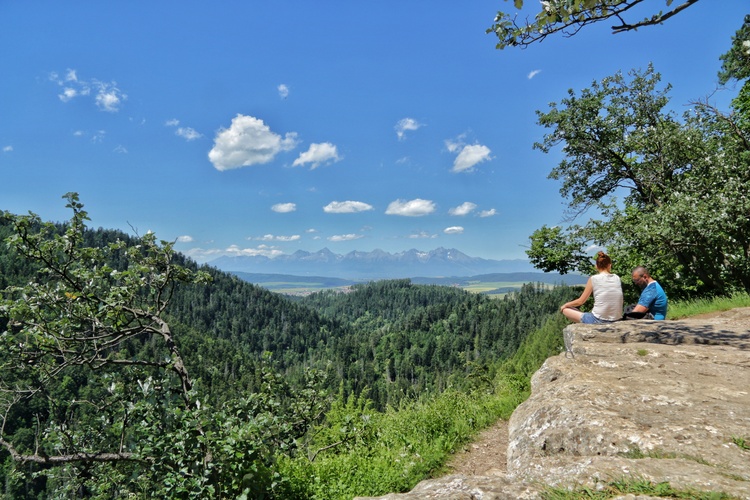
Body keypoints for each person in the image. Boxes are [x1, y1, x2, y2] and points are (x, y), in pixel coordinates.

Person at [560, 251, 623, 324]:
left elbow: (581, 301)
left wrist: (565, 305)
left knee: (566, 309)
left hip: (598, 320)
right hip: (617, 319)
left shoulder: (593, 279)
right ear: (610, 265)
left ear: (596, 266)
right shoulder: (617, 278)